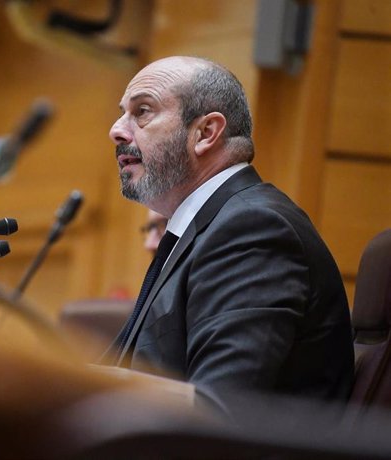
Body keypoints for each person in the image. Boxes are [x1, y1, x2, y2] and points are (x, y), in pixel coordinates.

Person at [102, 56, 354, 402]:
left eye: (142, 111)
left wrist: (91, 388)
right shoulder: (209, 226)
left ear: (205, 133)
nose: (116, 130)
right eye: (123, 113)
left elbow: (218, 406)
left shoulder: (253, 230)